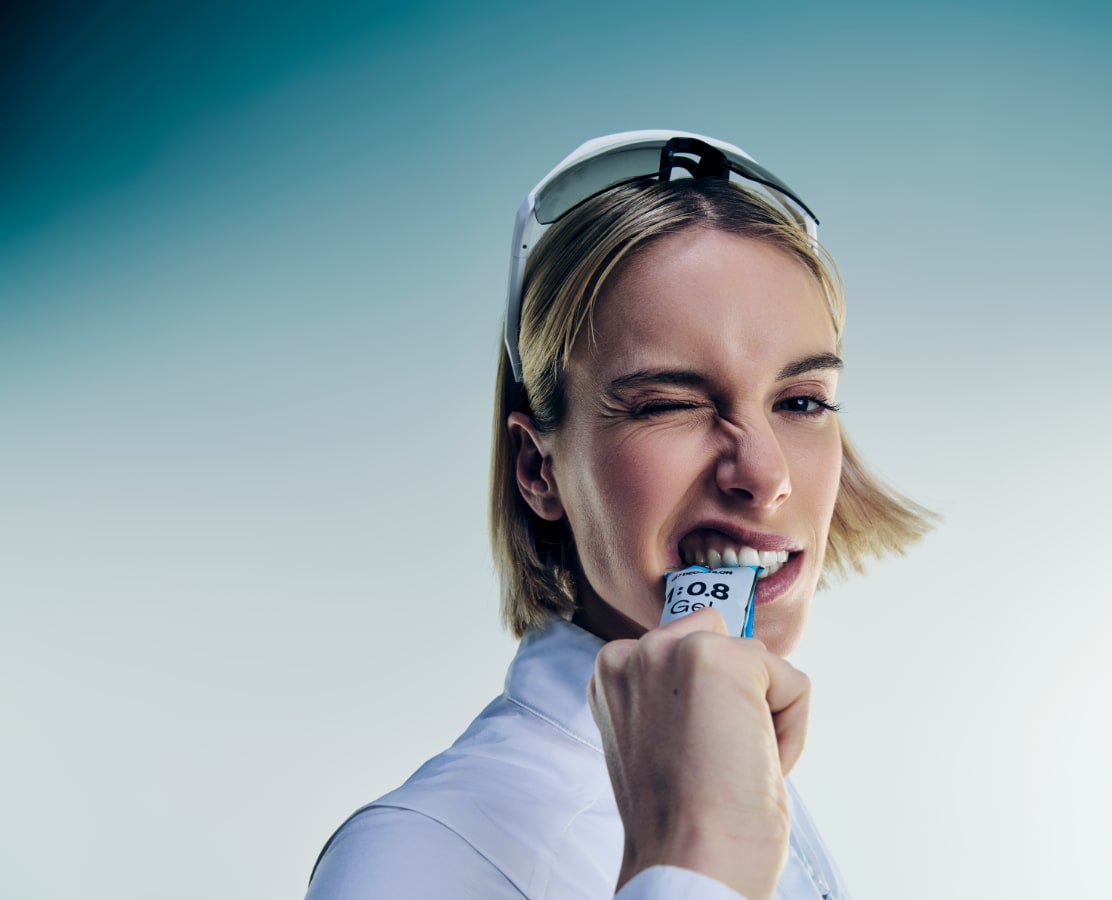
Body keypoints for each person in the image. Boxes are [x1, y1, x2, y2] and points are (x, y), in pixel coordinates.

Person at [306, 131, 930, 899]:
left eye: (800, 401)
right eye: (669, 405)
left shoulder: (750, 763)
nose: (764, 475)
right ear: (539, 470)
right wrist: (696, 856)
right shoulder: (416, 857)